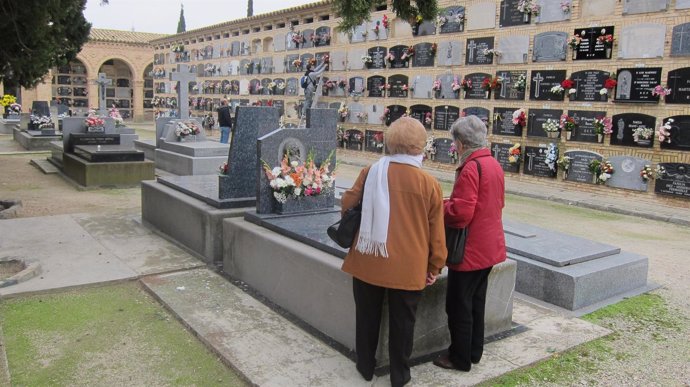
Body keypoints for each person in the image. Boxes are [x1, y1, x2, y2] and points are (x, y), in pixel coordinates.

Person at [341, 117, 447, 387]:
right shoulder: (428, 183)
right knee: (403, 324)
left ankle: (365, 366)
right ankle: (400, 375)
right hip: (408, 267)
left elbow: (347, 205)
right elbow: (437, 232)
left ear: (389, 142)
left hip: (368, 259)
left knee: (366, 316)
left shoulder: (370, 172)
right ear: (420, 146)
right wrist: (434, 266)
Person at [433, 115, 507, 372]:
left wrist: (440, 207)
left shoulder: (470, 168)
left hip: (470, 252)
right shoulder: (493, 164)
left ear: (462, 143)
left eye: (455, 143)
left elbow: (461, 214)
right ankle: (474, 351)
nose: (455, 147)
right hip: (489, 247)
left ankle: (459, 358)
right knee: (476, 302)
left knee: (458, 306)